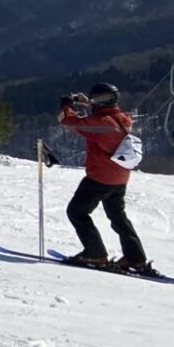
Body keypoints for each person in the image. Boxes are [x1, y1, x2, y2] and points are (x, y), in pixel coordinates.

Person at [56, 85, 151, 274]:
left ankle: (95, 254)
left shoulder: (102, 124)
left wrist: (66, 105)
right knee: (118, 217)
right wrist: (87, 103)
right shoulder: (123, 118)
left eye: (97, 100)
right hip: (120, 177)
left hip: (100, 177)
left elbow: (69, 121)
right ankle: (135, 258)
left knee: (77, 212)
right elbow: (101, 119)